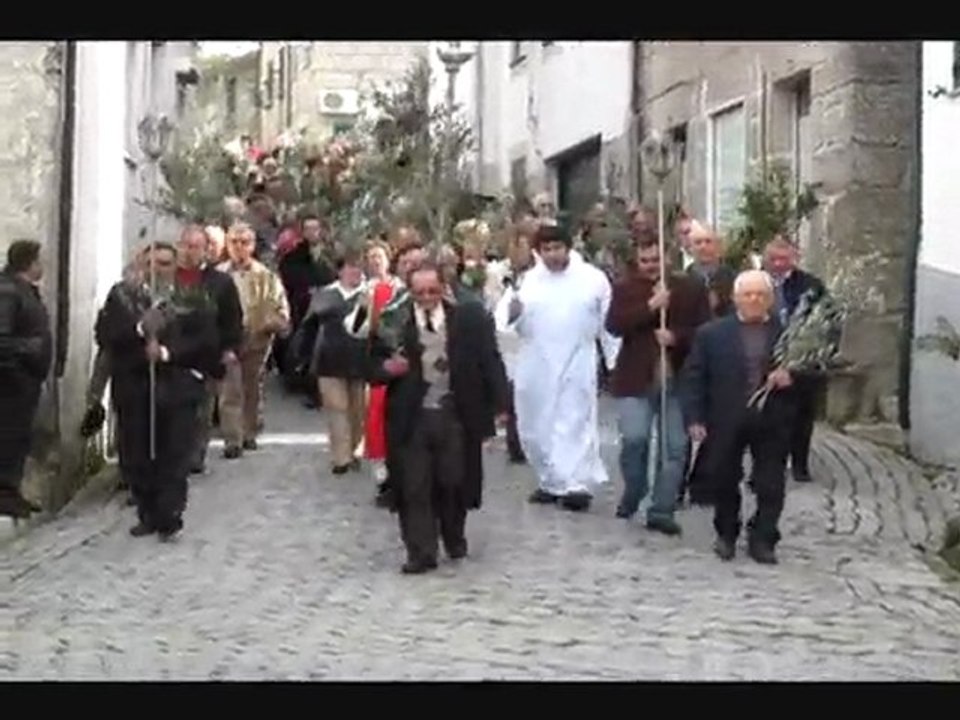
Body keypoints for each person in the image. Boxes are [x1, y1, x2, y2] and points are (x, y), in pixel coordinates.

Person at [368, 261, 508, 574]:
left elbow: (489, 360)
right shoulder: (394, 323)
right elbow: (369, 366)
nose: (427, 297)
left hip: (455, 413)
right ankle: (420, 552)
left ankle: (453, 534)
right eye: (419, 293)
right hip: (411, 416)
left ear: (443, 288)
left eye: (432, 291)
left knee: (452, 481)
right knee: (414, 485)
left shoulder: (468, 319)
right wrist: (386, 370)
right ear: (410, 292)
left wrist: (501, 404)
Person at [95, 241, 220, 541]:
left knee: (174, 454)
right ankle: (147, 512)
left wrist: (166, 352)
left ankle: (170, 514)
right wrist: (139, 330)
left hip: (177, 385)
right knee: (138, 453)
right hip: (136, 386)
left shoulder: (191, 297)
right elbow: (107, 336)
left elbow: (205, 339)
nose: (157, 269)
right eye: (151, 263)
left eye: (164, 263)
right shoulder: (123, 296)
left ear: (174, 266)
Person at [500, 223, 620, 512]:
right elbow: (507, 321)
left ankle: (575, 484)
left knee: (574, 420)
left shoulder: (593, 279)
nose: (553, 255)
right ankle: (550, 480)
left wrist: (614, 360)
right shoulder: (528, 281)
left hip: (577, 359)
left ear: (569, 248)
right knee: (535, 424)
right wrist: (511, 314)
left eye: (557, 248)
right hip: (536, 362)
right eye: (546, 250)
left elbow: (609, 323)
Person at [682, 269, 799, 564]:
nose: (754, 300)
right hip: (726, 416)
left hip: (772, 418)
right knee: (724, 478)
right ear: (735, 299)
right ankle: (726, 533)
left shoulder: (789, 335)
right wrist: (695, 418)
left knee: (771, 482)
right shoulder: (712, 334)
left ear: (771, 299)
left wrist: (792, 376)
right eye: (748, 294)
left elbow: (814, 373)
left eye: (761, 294)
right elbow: (695, 377)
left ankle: (763, 536)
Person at [605, 236, 710, 534]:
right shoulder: (625, 289)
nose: (651, 267)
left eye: (656, 260)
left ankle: (662, 508)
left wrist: (676, 337)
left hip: (676, 380)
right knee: (635, 440)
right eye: (645, 261)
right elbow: (614, 325)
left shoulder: (690, 288)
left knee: (674, 447)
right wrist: (651, 306)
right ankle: (634, 489)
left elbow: (705, 330)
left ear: (668, 258)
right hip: (635, 379)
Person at [217, 222, 290, 458]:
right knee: (230, 387)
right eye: (234, 242)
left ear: (252, 246)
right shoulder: (219, 275)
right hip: (227, 337)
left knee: (252, 386)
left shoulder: (265, 276)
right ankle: (232, 438)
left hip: (257, 337)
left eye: (244, 242)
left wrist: (273, 322)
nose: (239, 247)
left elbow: (279, 306)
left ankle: (250, 431)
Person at [177, 225, 244, 474]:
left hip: (206, 354)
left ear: (206, 251)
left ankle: (195, 454)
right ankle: (178, 453)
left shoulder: (220, 282)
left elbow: (232, 318)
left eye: (195, 247)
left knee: (201, 407)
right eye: (185, 246)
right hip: (174, 354)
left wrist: (230, 348)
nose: (188, 252)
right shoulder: (169, 278)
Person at [296, 249, 367, 474]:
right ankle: (340, 457)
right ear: (340, 270)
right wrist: (301, 357)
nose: (355, 271)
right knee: (336, 408)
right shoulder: (326, 294)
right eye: (350, 266)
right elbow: (308, 327)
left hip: (361, 361)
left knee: (358, 411)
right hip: (328, 360)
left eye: (358, 266)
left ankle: (356, 450)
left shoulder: (370, 294)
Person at [763, 236, 826, 484]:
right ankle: (768, 464)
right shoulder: (754, 281)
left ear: (794, 258)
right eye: (773, 259)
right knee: (768, 415)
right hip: (765, 356)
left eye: (784, 259)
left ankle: (800, 463)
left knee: (801, 415)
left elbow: (824, 321)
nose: (778, 264)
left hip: (801, 359)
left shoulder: (811, 285)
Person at [0, 240, 52, 518]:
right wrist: (27, 349)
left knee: (20, 438)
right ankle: (3, 494)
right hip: (11, 382)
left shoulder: (24, 291)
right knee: (7, 437)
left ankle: (12, 491)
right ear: (29, 263)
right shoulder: (7, 291)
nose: (41, 266)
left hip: (26, 381)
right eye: (39, 260)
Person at [489, 224, 536, 464]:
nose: (517, 253)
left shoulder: (537, 278)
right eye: (514, 248)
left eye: (522, 248)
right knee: (512, 398)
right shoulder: (502, 276)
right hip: (508, 347)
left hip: (529, 346)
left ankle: (527, 442)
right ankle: (515, 443)